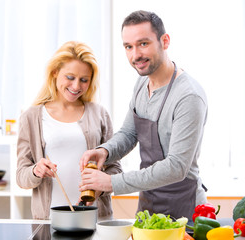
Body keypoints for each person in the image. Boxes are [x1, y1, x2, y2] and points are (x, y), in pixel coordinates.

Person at [79, 10, 208, 220]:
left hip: (185, 208)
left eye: (143, 44)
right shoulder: (142, 83)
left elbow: (176, 167)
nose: (135, 55)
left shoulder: (188, 96)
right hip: (149, 207)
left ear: (164, 41)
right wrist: (105, 151)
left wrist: (112, 183)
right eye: (128, 47)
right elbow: (130, 133)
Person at [16, 41, 122, 220]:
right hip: (49, 221)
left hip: (96, 219)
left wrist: (98, 190)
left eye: (84, 80)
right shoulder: (31, 117)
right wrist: (36, 171)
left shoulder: (99, 114)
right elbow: (21, 176)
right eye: (70, 77)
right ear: (55, 72)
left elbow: (115, 169)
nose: (76, 87)